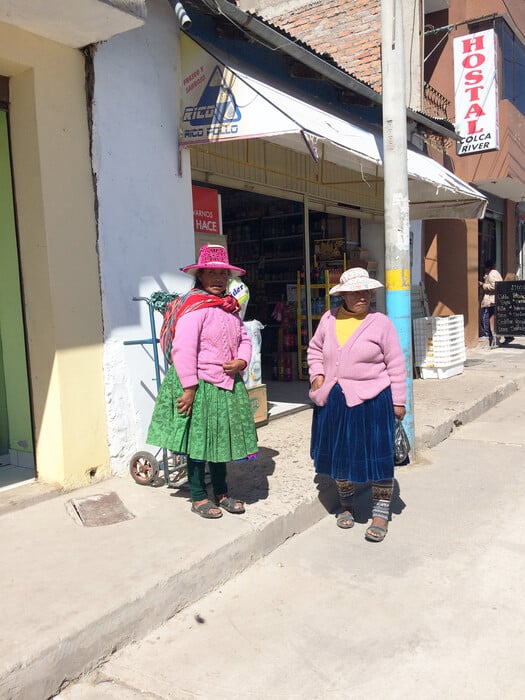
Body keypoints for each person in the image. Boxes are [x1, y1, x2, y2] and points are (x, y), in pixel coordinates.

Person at [147, 244, 258, 519]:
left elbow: (244, 339)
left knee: (219, 443)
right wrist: (189, 388)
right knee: (198, 445)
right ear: (200, 276)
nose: (218, 279)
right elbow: (183, 350)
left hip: (226, 385)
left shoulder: (230, 309)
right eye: (212, 273)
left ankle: (221, 493)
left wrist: (242, 361)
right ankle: (198, 496)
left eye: (223, 275)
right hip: (200, 385)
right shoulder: (195, 308)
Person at [307, 267, 407, 542]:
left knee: (379, 458)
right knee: (340, 455)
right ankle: (347, 504)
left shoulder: (381, 323)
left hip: (373, 400)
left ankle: (380, 513)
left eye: (366, 291)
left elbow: (396, 364)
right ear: (344, 295)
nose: (362, 296)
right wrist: (317, 376)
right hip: (334, 399)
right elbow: (314, 350)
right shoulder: (328, 319)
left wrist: (398, 401)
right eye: (356, 292)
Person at [479, 259, 509, 347]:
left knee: (485, 316)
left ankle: (487, 335)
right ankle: (495, 336)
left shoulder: (492, 273)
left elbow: (494, 286)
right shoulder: (495, 273)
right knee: (494, 317)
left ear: (487, 267)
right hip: (495, 299)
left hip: (491, 299)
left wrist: (482, 285)